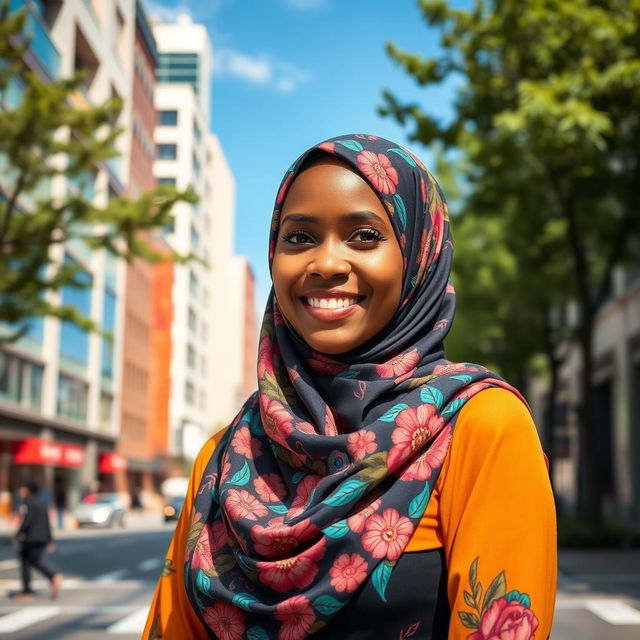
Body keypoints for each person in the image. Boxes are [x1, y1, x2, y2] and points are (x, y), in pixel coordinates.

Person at [143, 134, 556, 639]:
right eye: (299, 238)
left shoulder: (480, 427)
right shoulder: (225, 455)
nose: (327, 263)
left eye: (363, 236)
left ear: (418, 255)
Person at [13, 481, 63, 600]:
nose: (20, 492)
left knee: (26, 562)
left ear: (27, 490)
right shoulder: (41, 503)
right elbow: (47, 522)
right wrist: (49, 540)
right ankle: (50, 578)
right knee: (33, 561)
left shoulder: (28, 502)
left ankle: (29, 590)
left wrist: (18, 534)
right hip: (41, 538)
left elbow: (27, 520)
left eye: (22, 489)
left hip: (30, 537)